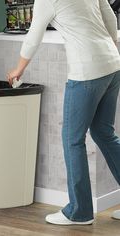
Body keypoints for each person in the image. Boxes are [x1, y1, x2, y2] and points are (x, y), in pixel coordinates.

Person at [7, 0, 120, 225]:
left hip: (87, 71)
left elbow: (33, 36)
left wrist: (19, 68)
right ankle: (80, 208)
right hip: (112, 65)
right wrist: (112, 47)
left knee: (72, 139)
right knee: (104, 133)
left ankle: (79, 211)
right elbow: (109, 17)